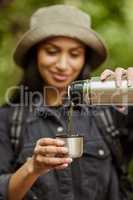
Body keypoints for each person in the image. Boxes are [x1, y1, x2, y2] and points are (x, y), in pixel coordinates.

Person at [0, 4, 133, 200]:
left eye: (74, 54)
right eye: (52, 51)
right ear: (35, 54)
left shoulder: (112, 109)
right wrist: (32, 168)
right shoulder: (9, 120)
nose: (63, 65)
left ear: (85, 58)